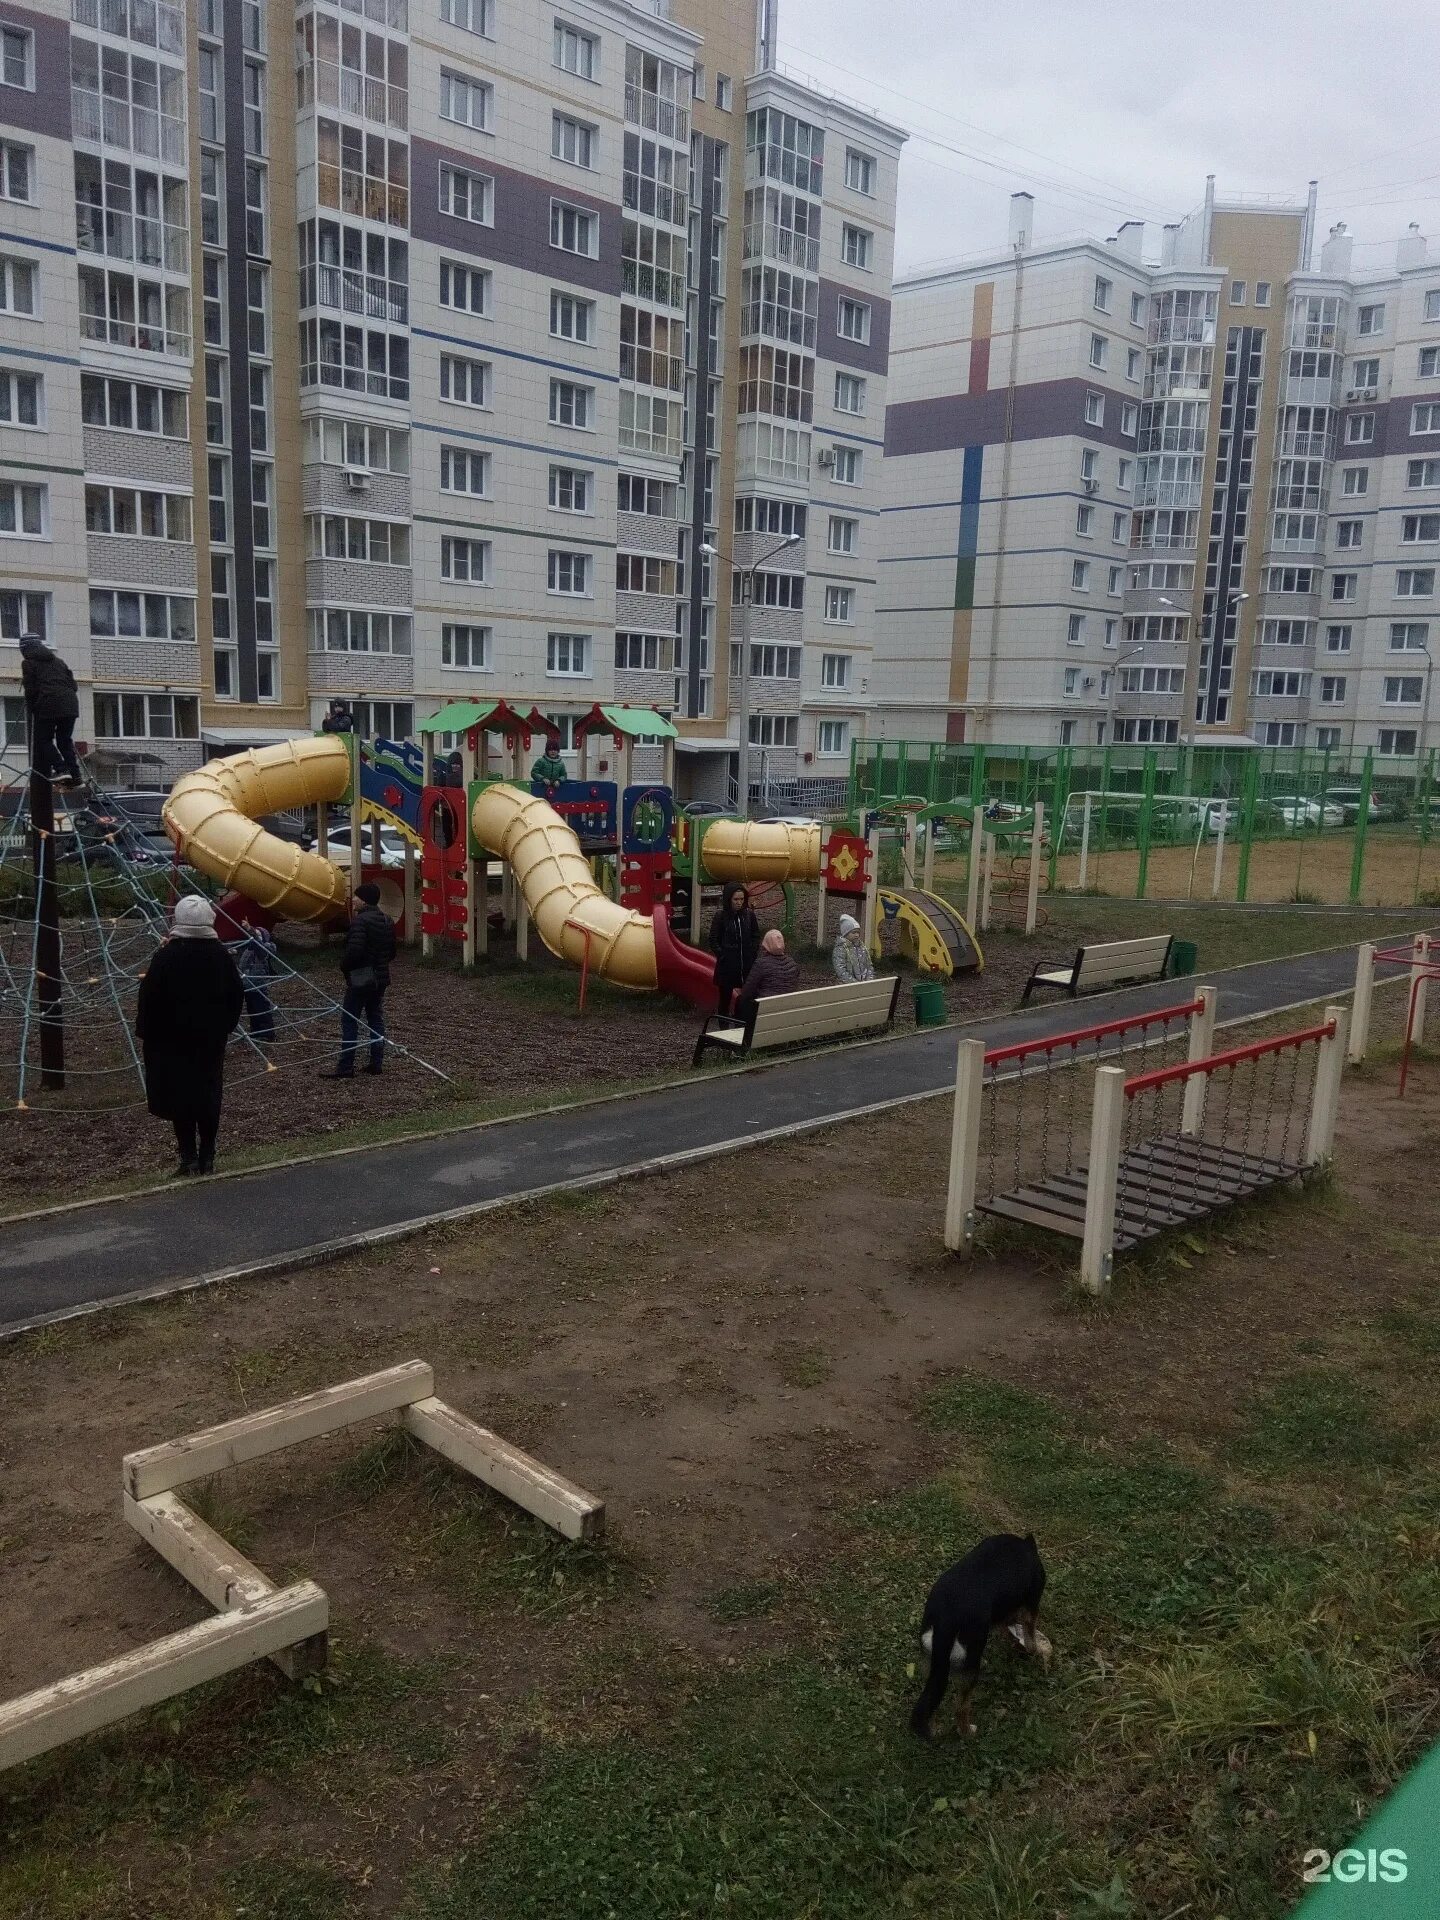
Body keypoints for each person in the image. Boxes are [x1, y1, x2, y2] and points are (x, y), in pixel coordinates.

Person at [136, 894, 245, 1176]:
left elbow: (149, 998)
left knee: (179, 1095)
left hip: (171, 1041)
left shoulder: (166, 956)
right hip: (210, 1040)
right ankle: (208, 1155)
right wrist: (225, 1026)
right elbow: (236, 994)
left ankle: (188, 1157)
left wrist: (149, 1034)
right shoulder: (220, 956)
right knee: (209, 1093)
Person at [323, 881, 396, 1079]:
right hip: (381, 978)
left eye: (356, 896)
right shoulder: (387, 920)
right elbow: (392, 952)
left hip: (361, 978)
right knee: (375, 1018)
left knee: (350, 1020)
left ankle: (346, 1066)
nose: (353, 900)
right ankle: (376, 1062)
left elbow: (354, 951)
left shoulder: (360, 922)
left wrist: (344, 966)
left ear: (364, 900)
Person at [19, 634, 82, 786]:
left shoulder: (28, 663)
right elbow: (74, 685)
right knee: (64, 741)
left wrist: (33, 709)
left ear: (25, 649)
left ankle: (61, 769)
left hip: (49, 703)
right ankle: (76, 776)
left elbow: (31, 690)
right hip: (70, 704)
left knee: (43, 739)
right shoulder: (59, 662)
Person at [708, 882, 760, 1013]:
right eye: (736, 899)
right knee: (725, 999)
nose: (739, 902)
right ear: (729, 899)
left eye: (742, 899)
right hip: (727, 966)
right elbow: (713, 939)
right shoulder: (721, 916)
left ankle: (742, 1020)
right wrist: (723, 955)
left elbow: (755, 935)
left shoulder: (749, 915)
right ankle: (724, 1023)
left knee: (747, 996)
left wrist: (752, 953)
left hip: (746, 963)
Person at [734, 928, 801, 1016]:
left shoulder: (761, 964)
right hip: (788, 1010)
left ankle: (737, 1024)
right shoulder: (792, 964)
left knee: (740, 999)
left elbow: (748, 991)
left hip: (766, 1012)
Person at [233, 914, 278, 1043]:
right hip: (247, 984)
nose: (253, 936)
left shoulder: (267, 947)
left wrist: (250, 929)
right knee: (252, 1009)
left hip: (258, 984)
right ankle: (256, 1032)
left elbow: (260, 947)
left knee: (261, 1007)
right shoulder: (248, 949)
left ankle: (268, 1033)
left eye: (257, 934)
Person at [832, 912, 875, 984]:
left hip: (864, 984)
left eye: (858, 932)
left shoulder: (862, 946)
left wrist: (869, 980)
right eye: (853, 932)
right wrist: (854, 983)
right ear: (846, 933)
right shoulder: (841, 948)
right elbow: (840, 970)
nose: (857, 935)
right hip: (847, 986)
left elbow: (869, 965)